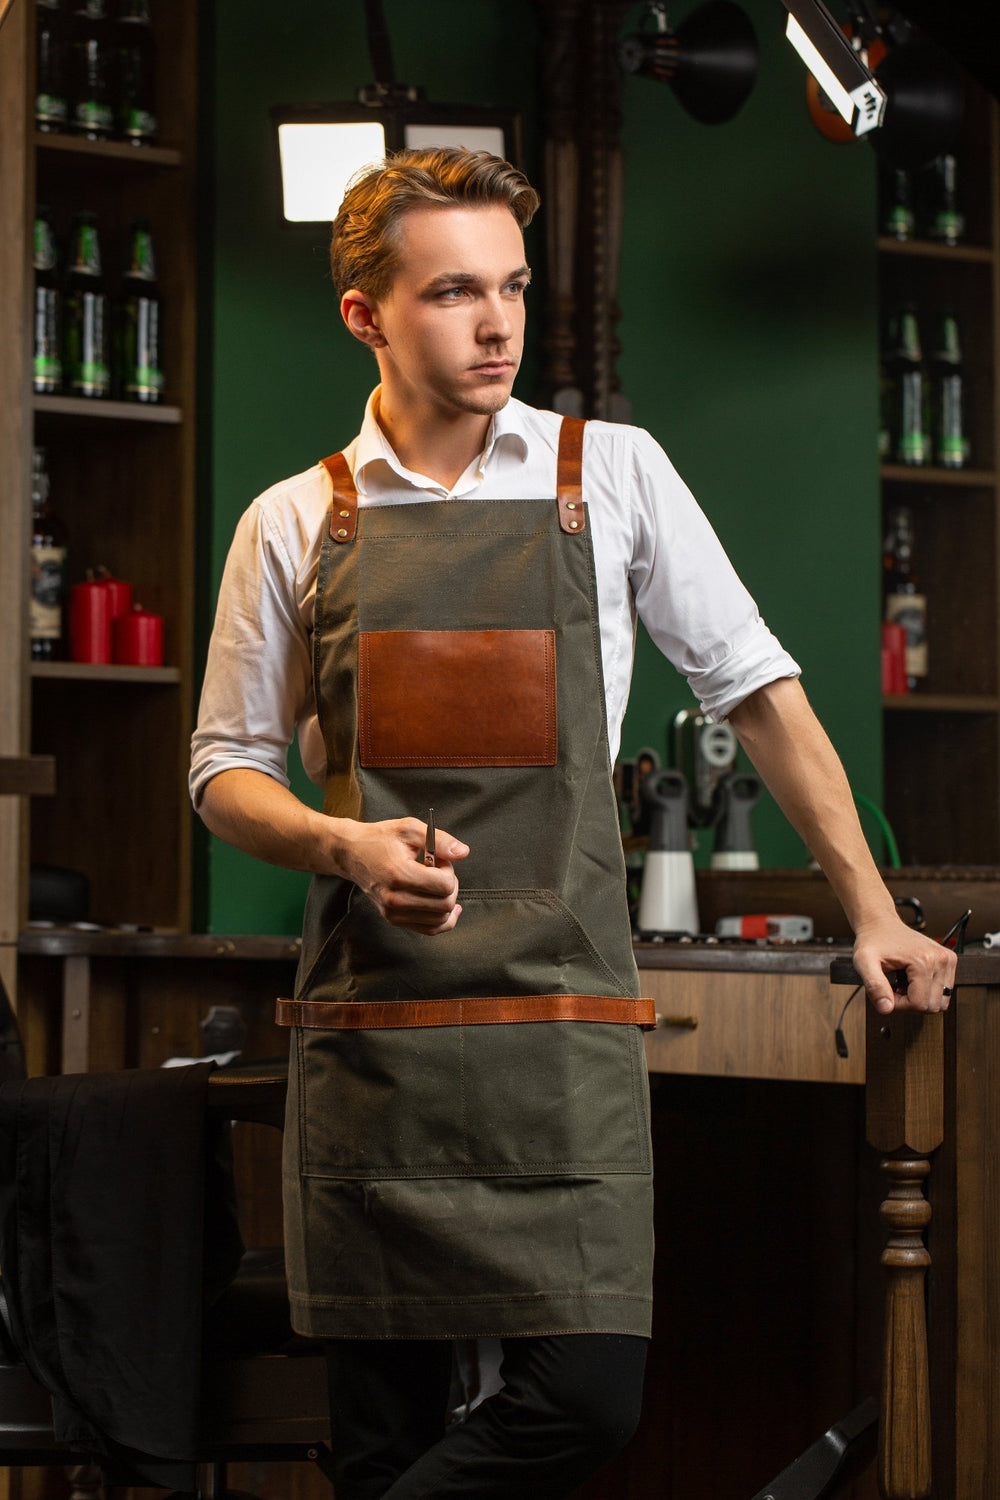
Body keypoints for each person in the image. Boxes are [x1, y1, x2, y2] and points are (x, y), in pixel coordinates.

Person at [191, 147, 956, 1499]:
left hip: (561, 1025)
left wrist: (874, 911)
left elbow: (758, 693)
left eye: (515, 288)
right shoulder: (295, 519)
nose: (497, 325)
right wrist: (346, 846)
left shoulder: (615, 477)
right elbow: (227, 769)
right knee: (382, 1445)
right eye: (453, 293)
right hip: (380, 1038)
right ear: (365, 314)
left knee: (587, 1400)